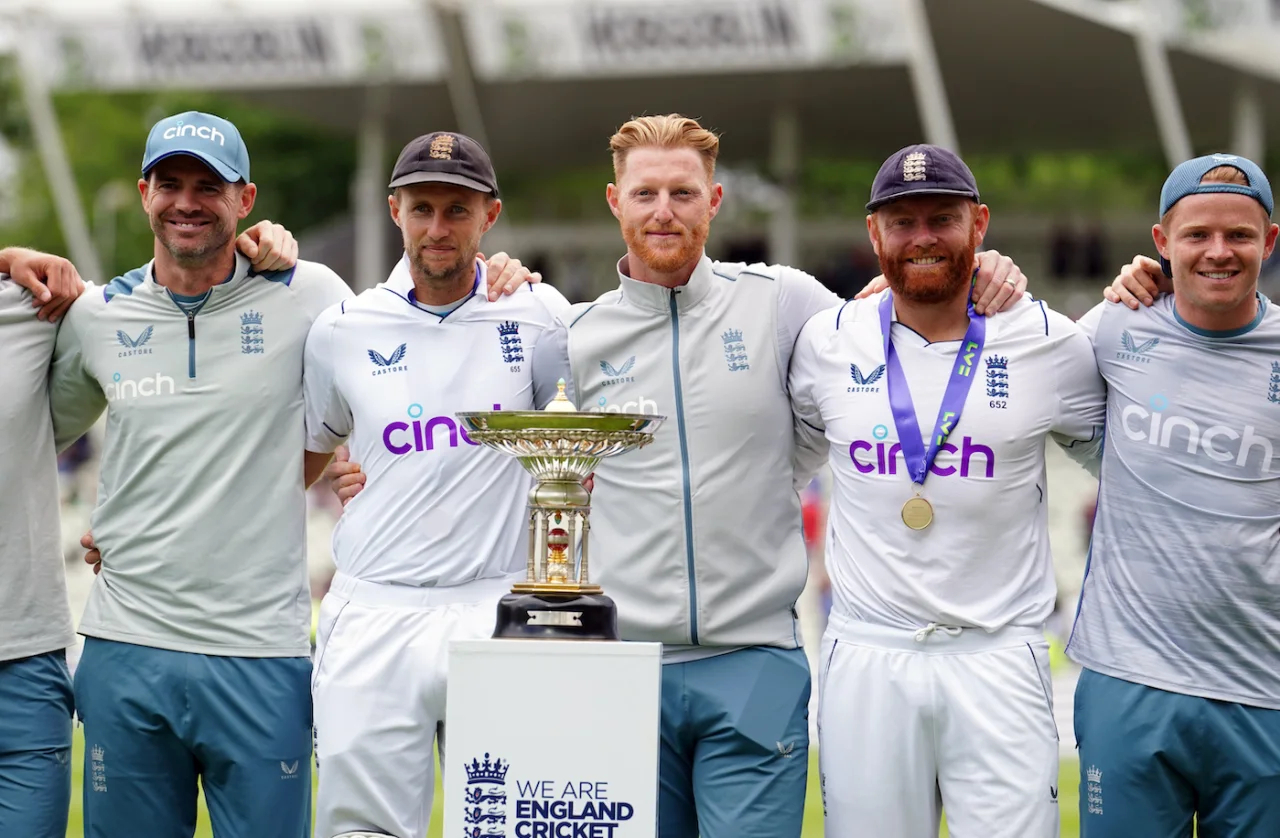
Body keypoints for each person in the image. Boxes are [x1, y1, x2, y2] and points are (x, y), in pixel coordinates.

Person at [330, 114, 1028, 837]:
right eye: (646, 194)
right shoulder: (569, 337)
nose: (664, 211)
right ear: (615, 202)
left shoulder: (784, 303)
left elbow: (904, 308)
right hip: (622, 665)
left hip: (754, 657)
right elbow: (495, 440)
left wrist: (985, 266)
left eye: (683, 193)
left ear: (714, 201)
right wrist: (364, 467)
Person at [789, 144, 1106, 838]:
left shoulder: (1048, 340)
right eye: (902, 223)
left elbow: (1126, 465)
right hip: (869, 652)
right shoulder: (825, 341)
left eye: (943, 218)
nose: (923, 237)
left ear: (980, 225)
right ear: (873, 235)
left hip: (997, 654)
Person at [303, 132, 572, 838]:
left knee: (512, 826)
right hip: (374, 610)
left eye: (458, 210)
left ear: (490, 215)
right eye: (423, 207)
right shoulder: (341, 329)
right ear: (395, 210)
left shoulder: (541, 316)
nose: (438, 228)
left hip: (500, 603)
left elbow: (581, 445)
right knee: (360, 828)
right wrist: (339, 463)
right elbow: (312, 451)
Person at [0, 220, 302, 838]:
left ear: (242, 199)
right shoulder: (64, 303)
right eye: (170, 184)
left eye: (206, 185)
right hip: (113, 648)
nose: (186, 201)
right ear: (145, 195)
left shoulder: (35, 304)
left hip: (24, 656)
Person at [1067, 153, 1280, 837]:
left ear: (1269, 241)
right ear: (1162, 242)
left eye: (1239, 235)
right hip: (1130, 683)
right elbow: (996, 359)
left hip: (1264, 695)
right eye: (1197, 235)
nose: (1219, 252)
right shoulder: (1111, 329)